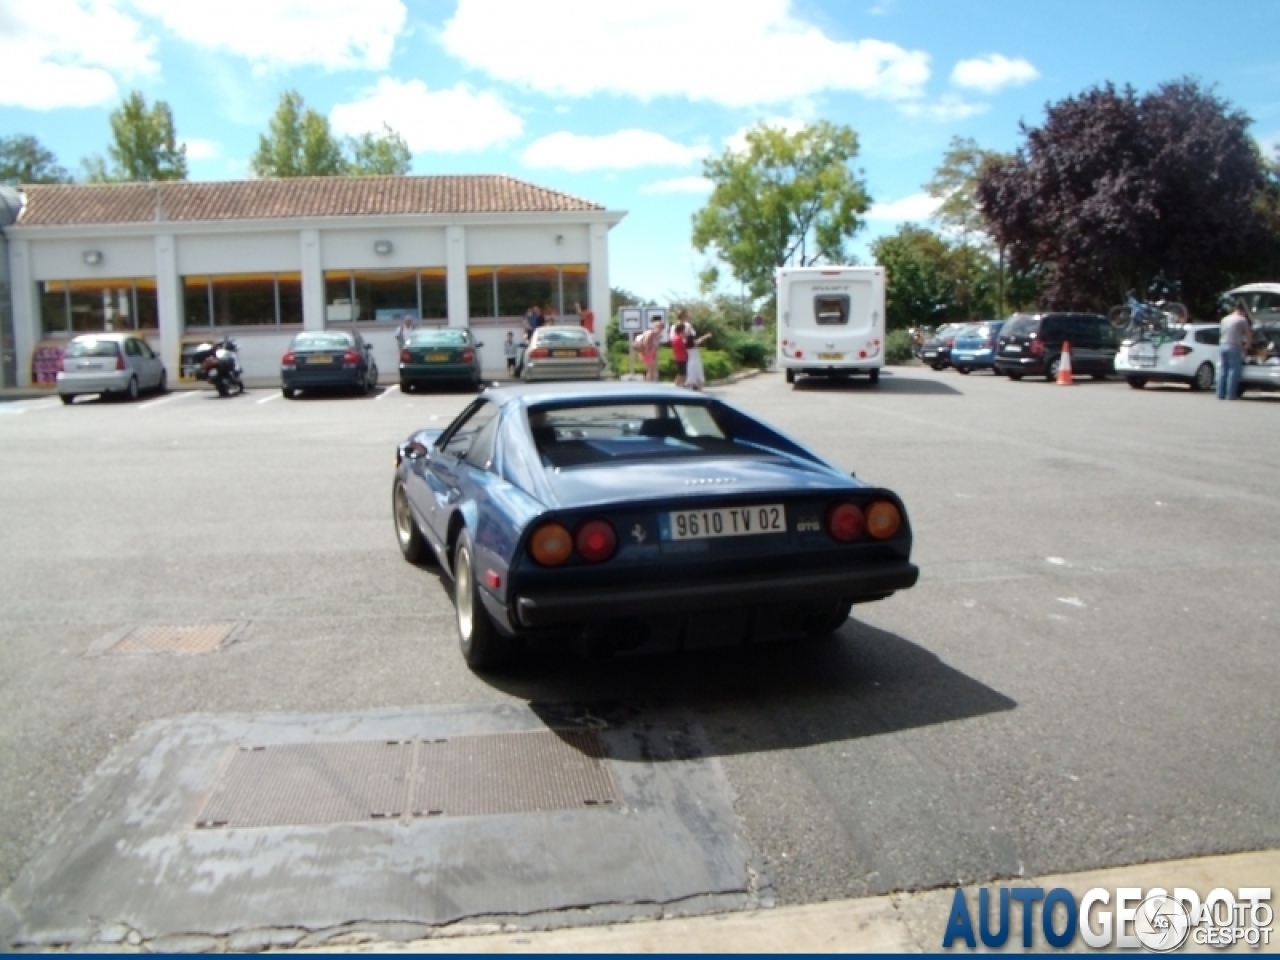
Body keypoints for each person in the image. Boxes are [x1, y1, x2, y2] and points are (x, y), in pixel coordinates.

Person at [1217, 301, 1252, 401]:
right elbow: (1248, 334)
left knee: (1223, 370)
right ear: (1242, 311)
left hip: (1223, 345)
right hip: (1234, 346)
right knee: (1233, 371)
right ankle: (1231, 395)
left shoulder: (1225, 319)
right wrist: (1247, 345)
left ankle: (1220, 394)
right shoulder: (1241, 319)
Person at [684, 320, 712, 391]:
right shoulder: (689, 339)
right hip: (694, 359)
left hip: (692, 359)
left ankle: (695, 386)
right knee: (696, 373)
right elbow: (698, 341)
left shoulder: (686, 339)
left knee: (694, 374)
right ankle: (697, 387)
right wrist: (706, 336)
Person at [635, 318, 664, 382]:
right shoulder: (651, 333)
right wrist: (648, 353)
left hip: (651, 353)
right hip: (647, 353)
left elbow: (657, 346)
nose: (661, 329)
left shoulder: (657, 335)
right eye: (660, 327)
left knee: (652, 369)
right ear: (656, 327)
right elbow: (646, 342)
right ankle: (649, 383)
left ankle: (651, 382)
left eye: (662, 327)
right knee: (651, 369)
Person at [671, 319, 690, 387]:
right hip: (682, 357)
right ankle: (678, 385)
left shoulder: (674, 337)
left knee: (681, 373)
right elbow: (684, 346)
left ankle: (678, 385)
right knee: (682, 374)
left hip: (678, 357)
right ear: (681, 330)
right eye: (684, 329)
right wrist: (685, 338)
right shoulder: (678, 338)